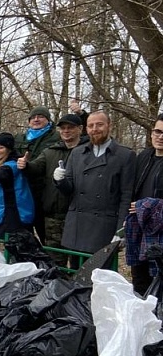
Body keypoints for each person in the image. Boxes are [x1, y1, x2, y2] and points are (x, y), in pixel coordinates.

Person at [55, 111, 136, 256]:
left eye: (99, 125)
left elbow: (126, 196)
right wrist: (60, 180)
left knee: (100, 270)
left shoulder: (125, 155)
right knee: (75, 268)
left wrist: (121, 231)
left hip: (104, 228)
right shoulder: (77, 153)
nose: (95, 129)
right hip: (77, 226)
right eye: (91, 125)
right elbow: (69, 191)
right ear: (86, 129)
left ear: (109, 126)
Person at [17, 114, 88, 265]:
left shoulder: (88, 151)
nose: (66, 131)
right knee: (55, 261)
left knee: (79, 263)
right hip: (54, 216)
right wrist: (25, 165)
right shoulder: (51, 151)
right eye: (63, 128)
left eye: (70, 128)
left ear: (80, 129)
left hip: (79, 216)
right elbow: (36, 168)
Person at [125, 114, 163, 293]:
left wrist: (149, 205)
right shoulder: (144, 157)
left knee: (158, 284)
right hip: (139, 230)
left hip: (160, 234)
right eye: (158, 131)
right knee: (139, 280)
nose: (161, 137)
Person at [15, 106, 61, 243]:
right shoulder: (20, 138)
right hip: (23, 191)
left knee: (45, 234)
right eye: (33, 117)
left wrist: (81, 114)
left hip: (45, 192)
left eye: (41, 116)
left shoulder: (56, 137)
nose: (36, 119)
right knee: (24, 235)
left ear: (48, 120)